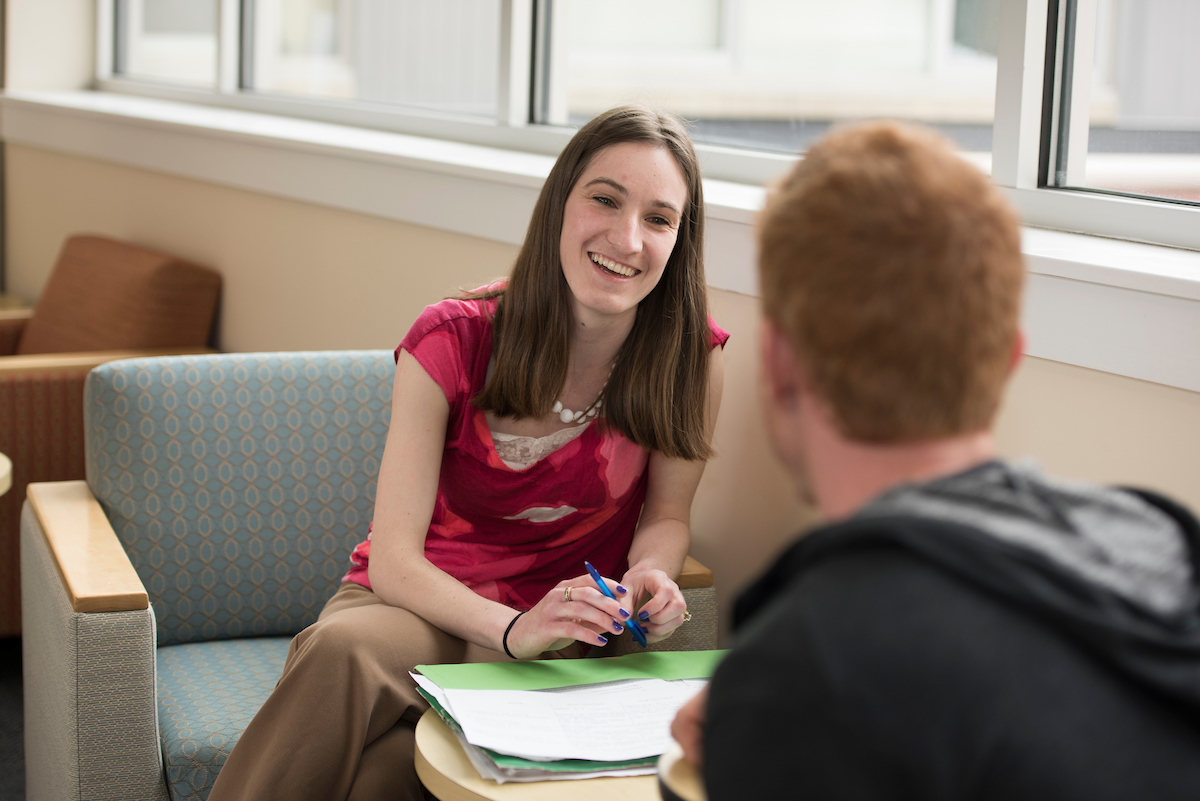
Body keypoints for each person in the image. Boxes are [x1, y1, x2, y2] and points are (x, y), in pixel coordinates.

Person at [209, 106, 727, 801]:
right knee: (339, 649)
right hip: (416, 611)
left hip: (567, 629)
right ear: (560, 205)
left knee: (376, 782)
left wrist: (650, 578)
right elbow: (393, 559)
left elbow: (667, 515)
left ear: (679, 239)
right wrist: (512, 628)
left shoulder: (692, 361)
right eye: (605, 199)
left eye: (659, 218)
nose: (627, 237)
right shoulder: (450, 338)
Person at [671, 121, 1200, 799]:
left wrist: (773, 717)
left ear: (778, 366)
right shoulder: (1164, 546)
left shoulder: (817, 665)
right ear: (1008, 357)